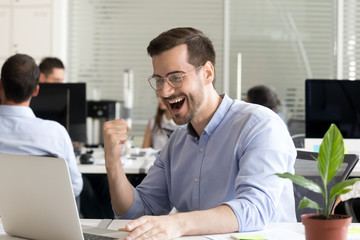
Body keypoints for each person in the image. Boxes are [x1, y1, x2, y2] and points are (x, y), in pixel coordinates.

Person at [103, 27, 296, 239]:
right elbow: (138, 212)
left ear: (207, 73)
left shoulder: (260, 125)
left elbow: (255, 209)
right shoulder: (177, 142)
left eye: (176, 77)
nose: (165, 91)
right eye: (159, 80)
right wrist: (113, 163)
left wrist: (178, 223)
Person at [0, 54, 83, 199]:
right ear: (36, 90)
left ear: (0, 85)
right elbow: (74, 187)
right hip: (41, 219)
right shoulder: (56, 133)